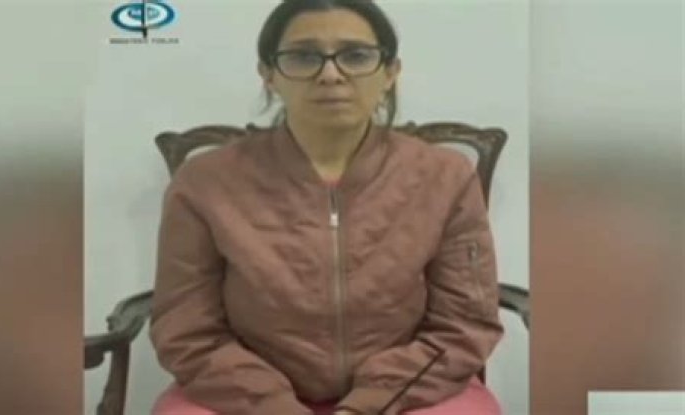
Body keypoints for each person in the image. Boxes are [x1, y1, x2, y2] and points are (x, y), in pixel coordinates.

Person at [149, 1, 504, 414]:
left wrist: (368, 404)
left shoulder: (445, 178)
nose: (331, 75)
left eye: (356, 56)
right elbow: (187, 329)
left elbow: (463, 326)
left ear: (390, 72)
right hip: (242, 395)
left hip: (411, 391)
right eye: (303, 57)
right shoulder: (204, 182)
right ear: (268, 75)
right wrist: (272, 404)